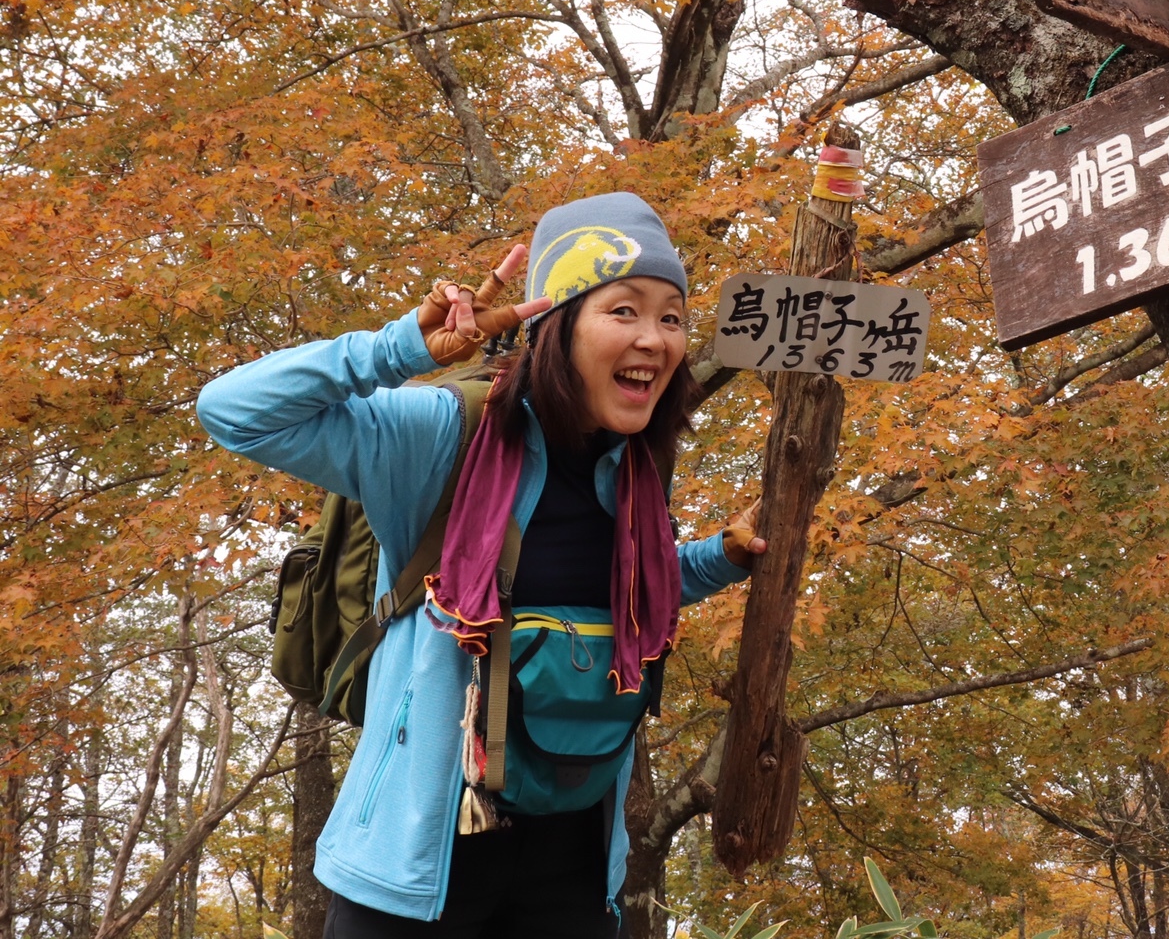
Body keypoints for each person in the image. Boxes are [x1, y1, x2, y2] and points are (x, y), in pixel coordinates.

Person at [197, 192, 764, 937]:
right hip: (418, 862)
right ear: (556, 327)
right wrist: (399, 349)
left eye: (671, 316)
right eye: (623, 310)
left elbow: (626, 592)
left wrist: (720, 559)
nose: (654, 339)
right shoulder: (447, 435)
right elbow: (233, 410)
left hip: (574, 855)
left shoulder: (634, 467)